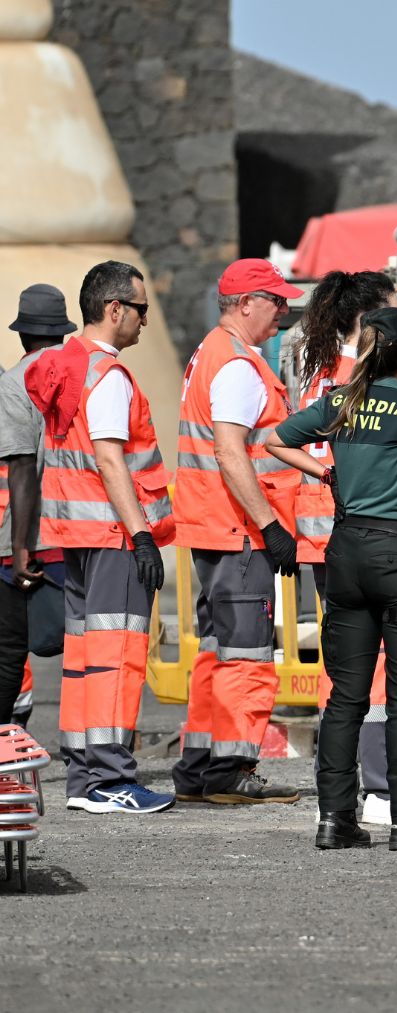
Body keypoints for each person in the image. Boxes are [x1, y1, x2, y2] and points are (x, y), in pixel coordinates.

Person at [272, 307, 397, 851]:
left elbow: (276, 440)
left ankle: (335, 819)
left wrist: (325, 472)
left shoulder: (341, 401)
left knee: (345, 697)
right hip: (396, 555)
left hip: (344, 552)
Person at [33, 262, 176, 813]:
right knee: (116, 657)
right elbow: (111, 460)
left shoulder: (64, 366)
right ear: (114, 309)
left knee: (85, 658)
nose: (144, 321)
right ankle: (111, 779)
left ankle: (84, 778)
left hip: (74, 534)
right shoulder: (108, 376)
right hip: (115, 536)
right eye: (140, 309)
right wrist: (142, 536)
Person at [171, 258, 308, 806]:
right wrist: (273, 526)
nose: (284, 310)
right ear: (245, 303)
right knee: (247, 654)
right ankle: (231, 768)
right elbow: (232, 453)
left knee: (217, 651)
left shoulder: (212, 352)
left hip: (214, 527)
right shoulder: (236, 365)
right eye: (276, 301)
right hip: (241, 531)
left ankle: (201, 766)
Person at [292, 270, 397, 824]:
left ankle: (337, 793)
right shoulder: (362, 379)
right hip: (361, 529)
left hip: (321, 533)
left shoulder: (318, 370)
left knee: (341, 668)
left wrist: (322, 473)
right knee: (380, 666)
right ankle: (380, 789)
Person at [0, 285, 74, 729]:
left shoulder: (13, 384)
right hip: (82, 533)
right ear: (63, 333)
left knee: (9, 653)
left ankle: (5, 752)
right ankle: (89, 754)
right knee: (87, 652)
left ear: (24, 335)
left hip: (27, 538)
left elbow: (23, 470)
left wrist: (20, 546)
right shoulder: (87, 374)